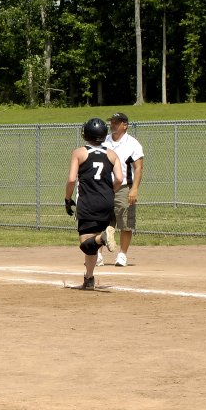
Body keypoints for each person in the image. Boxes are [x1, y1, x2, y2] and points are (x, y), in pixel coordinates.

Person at [65, 118, 123, 290]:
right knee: (93, 245)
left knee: (87, 244)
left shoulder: (79, 153)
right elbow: (119, 179)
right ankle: (89, 278)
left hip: (88, 202)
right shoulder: (112, 154)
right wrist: (110, 191)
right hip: (107, 202)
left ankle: (102, 237)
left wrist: (67, 199)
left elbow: (71, 179)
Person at [97, 112, 144, 267]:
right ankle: (98, 255)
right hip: (104, 186)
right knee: (100, 220)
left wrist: (134, 189)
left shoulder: (133, 144)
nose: (113, 125)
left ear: (125, 125)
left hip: (124, 187)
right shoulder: (104, 141)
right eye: (112, 122)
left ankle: (122, 254)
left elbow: (138, 168)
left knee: (125, 221)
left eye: (117, 123)